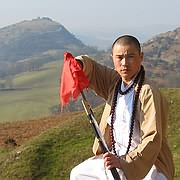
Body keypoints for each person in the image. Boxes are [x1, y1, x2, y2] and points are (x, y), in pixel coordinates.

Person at [70, 35, 174, 180]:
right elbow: (92, 69)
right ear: (112, 58)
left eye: (130, 56)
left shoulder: (148, 91)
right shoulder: (114, 82)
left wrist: (125, 162)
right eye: (119, 57)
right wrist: (78, 65)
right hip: (115, 156)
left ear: (141, 57)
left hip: (146, 164)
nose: (124, 63)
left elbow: (153, 138)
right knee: (78, 174)